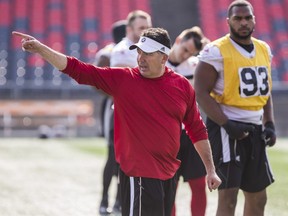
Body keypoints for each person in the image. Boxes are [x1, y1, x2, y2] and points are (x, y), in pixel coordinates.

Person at [13, 27, 222, 216]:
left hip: (168, 175)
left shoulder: (182, 86)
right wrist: (41, 49)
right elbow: (78, 69)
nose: (141, 58)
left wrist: (210, 170)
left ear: (163, 57)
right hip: (137, 175)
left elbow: (197, 129)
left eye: (148, 53)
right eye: (139, 52)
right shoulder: (124, 80)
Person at [194, 1, 276, 215]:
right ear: (228, 21)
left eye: (247, 17)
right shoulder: (216, 50)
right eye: (238, 18)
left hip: (255, 128)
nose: (243, 22)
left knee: (258, 198)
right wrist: (227, 124)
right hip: (226, 129)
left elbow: (264, 90)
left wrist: (269, 123)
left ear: (254, 20)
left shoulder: (263, 49)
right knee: (229, 196)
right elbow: (201, 92)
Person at [166, 27, 210, 216]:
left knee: (199, 183)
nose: (186, 56)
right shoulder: (159, 62)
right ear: (178, 40)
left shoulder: (195, 65)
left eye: (190, 53)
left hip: (191, 132)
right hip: (167, 134)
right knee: (170, 186)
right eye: (185, 49)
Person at [93, 20, 127, 215]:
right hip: (113, 108)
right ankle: (106, 199)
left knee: (125, 158)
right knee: (113, 155)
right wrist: (117, 94)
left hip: (129, 109)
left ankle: (116, 201)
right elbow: (95, 84)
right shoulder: (109, 53)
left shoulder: (128, 51)